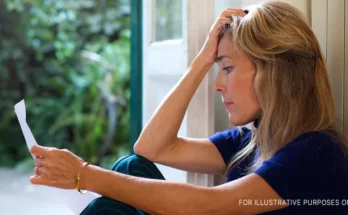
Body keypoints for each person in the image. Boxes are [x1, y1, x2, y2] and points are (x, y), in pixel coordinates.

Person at [29, 1, 348, 215]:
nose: (217, 85)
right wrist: (203, 59)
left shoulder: (317, 152)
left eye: (227, 69)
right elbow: (152, 147)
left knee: (111, 200)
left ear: (274, 71)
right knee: (131, 166)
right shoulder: (251, 140)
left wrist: (82, 175)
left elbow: (207, 204)